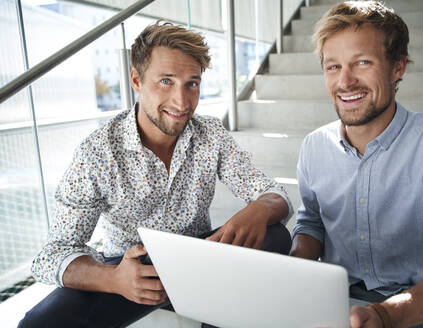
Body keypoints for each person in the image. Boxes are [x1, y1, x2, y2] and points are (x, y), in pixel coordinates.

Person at [18, 21, 292, 328]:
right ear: (136, 79)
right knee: (38, 324)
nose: (182, 102)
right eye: (166, 81)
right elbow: (51, 256)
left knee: (275, 233)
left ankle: (210, 305)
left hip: (200, 258)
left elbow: (273, 194)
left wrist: (259, 208)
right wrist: (113, 279)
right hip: (132, 272)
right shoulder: (98, 151)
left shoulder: (210, 133)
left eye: (192, 83)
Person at [289, 1, 423, 327]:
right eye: (333, 67)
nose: (345, 81)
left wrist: (386, 315)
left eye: (363, 62)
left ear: (398, 67)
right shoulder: (314, 146)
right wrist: (290, 273)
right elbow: (312, 224)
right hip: (341, 298)